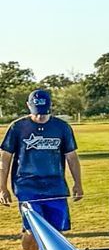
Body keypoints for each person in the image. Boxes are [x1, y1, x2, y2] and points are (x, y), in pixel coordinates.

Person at [1, 88, 83, 234]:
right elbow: (5, 158)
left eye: (43, 111)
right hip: (27, 186)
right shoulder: (17, 128)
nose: (40, 116)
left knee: (57, 233)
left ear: (50, 105)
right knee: (34, 232)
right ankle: (30, 243)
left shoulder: (62, 127)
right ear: (28, 105)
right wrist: (2, 187)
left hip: (55, 186)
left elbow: (71, 157)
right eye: (36, 111)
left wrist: (78, 183)